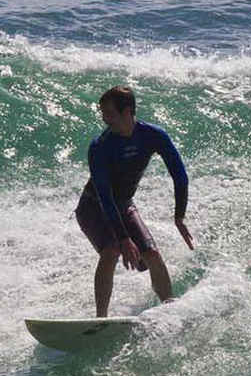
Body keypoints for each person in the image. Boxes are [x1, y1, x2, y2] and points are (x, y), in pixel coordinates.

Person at [76, 85, 195, 317]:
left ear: (127, 111)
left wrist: (179, 216)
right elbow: (104, 196)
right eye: (103, 113)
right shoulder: (100, 146)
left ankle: (169, 308)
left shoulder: (153, 135)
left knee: (151, 253)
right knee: (111, 250)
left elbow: (179, 176)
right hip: (93, 206)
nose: (105, 119)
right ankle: (101, 318)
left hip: (123, 204)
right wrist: (123, 238)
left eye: (109, 113)